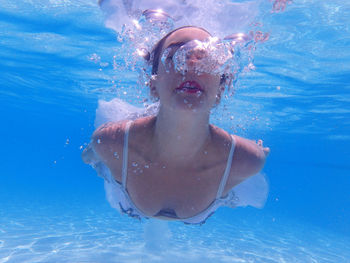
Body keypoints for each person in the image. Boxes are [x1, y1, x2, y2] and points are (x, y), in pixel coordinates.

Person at [82, 26, 270, 224]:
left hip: (201, 210)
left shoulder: (246, 160)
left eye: (207, 58)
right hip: (129, 200)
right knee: (95, 155)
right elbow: (94, 153)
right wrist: (92, 155)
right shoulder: (113, 143)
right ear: (153, 85)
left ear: (220, 90)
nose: (190, 65)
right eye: (174, 56)